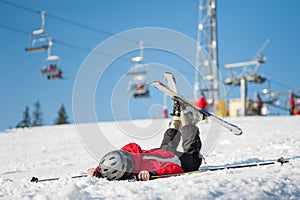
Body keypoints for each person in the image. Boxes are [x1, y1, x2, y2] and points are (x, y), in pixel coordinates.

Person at [87, 101, 202, 181]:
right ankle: (177, 116)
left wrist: (153, 173)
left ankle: (188, 120)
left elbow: (176, 168)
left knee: (193, 159)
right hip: (160, 152)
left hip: (177, 160)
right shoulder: (129, 153)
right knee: (168, 143)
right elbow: (115, 161)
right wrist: (99, 171)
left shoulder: (149, 166)